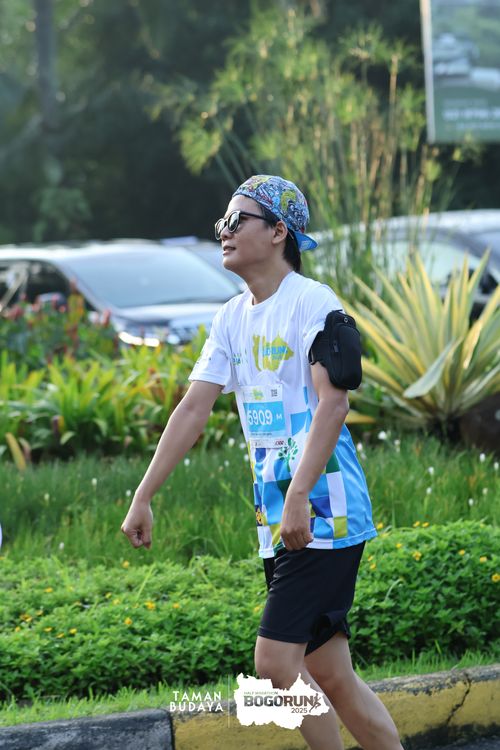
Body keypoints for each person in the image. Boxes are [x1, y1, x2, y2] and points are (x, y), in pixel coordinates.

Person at [121, 175, 404, 750]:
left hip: (324, 511)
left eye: (237, 220)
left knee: (275, 664)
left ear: (279, 232)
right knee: (330, 673)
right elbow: (193, 408)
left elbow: (334, 404)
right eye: (220, 223)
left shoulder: (313, 302)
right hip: (279, 516)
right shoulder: (231, 317)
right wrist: (143, 495)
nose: (223, 232)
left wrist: (299, 496)